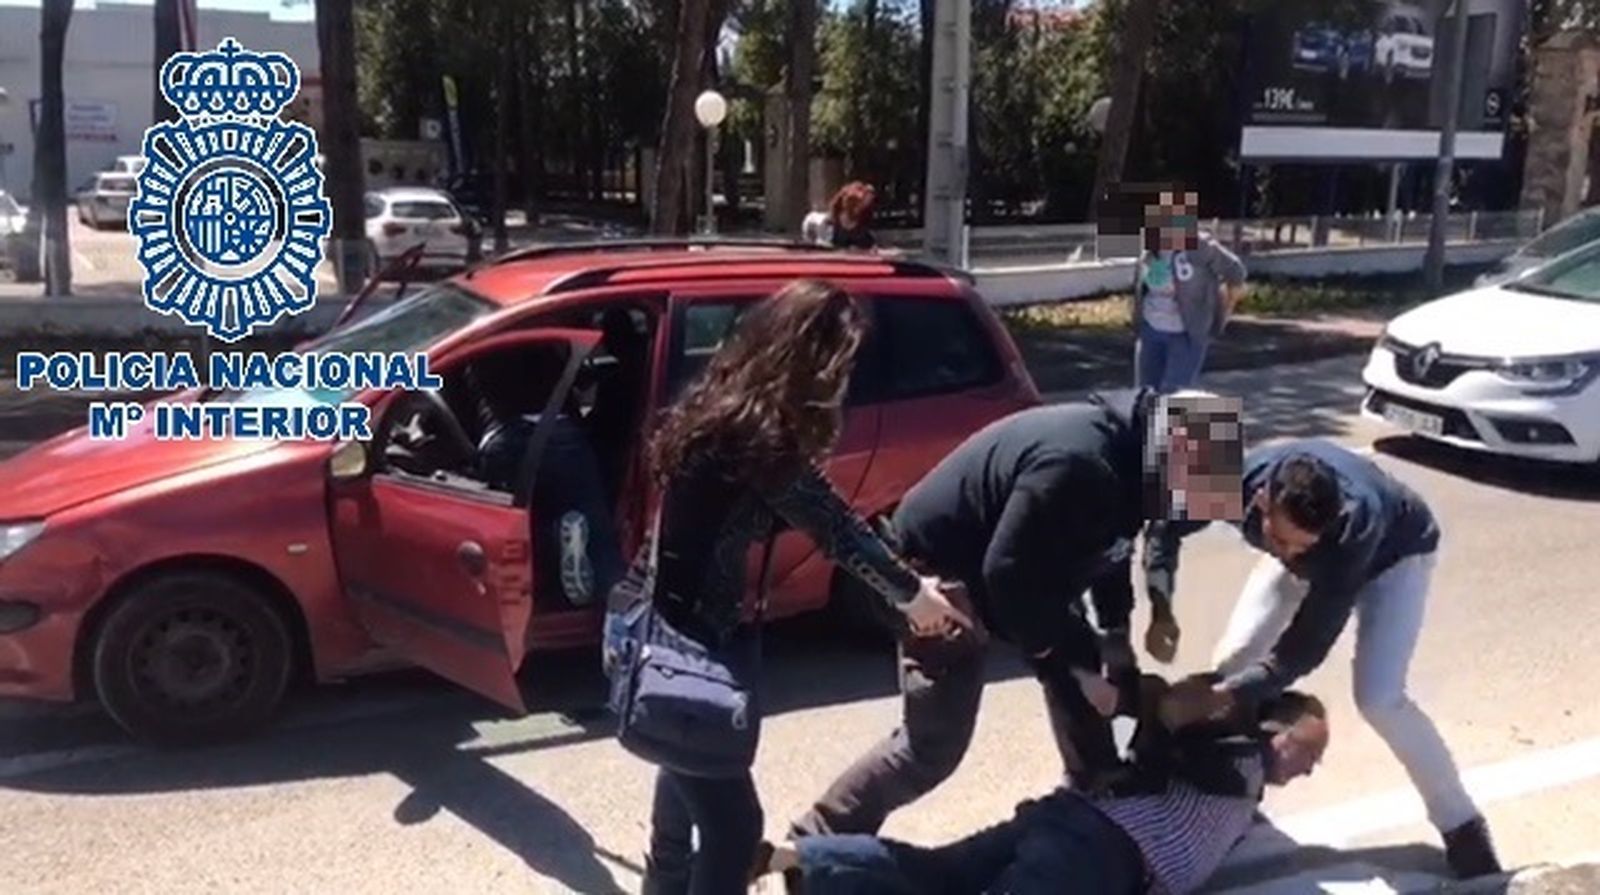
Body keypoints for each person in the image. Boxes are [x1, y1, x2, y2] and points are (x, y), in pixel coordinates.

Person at [614, 279, 972, 895]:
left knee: (681, 782)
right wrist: (914, 597)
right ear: (817, 365)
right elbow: (836, 528)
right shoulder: (762, 440)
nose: (844, 383)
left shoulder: (721, 404)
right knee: (734, 826)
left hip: (660, 635)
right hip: (692, 641)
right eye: (842, 367)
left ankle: (663, 887)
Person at [790, 389, 1245, 840]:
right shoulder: (1079, 466)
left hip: (999, 566)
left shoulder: (1125, 454)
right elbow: (1006, 578)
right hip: (930, 580)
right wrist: (1070, 665)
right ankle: (817, 836)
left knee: (1078, 648)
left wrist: (1115, 636)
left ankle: (1097, 781)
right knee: (932, 747)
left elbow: (1109, 546)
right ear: (1165, 464)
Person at [1144, 439, 1502, 878]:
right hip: (1317, 552)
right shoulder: (1232, 476)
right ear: (1262, 501)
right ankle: (1231, 801)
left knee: (1379, 697)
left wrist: (1231, 693)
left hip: (1396, 557)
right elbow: (1163, 526)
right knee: (1235, 658)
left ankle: (1462, 827)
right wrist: (1160, 605)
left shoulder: (1353, 528)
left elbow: (1304, 647)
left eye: (1304, 545)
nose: (1293, 553)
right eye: (1282, 539)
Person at [760, 684, 1331, 895]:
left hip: (1067, 824)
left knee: (937, 874)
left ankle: (797, 861)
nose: (1311, 769)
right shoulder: (1240, 753)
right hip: (1098, 851)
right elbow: (1180, 706)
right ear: (1273, 731)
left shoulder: (1243, 795)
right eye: (1308, 751)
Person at [1133, 187, 1247, 394]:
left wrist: (1225, 308)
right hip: (1151, 331)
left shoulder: (1200, 247)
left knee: (1173, 397)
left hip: (1185, 335)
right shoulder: (1150, 250)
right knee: (1145, 395)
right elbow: (1142, 289)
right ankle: (1147, 428)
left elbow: (1235, 271)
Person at [825, 182, 878, 250]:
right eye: (859, 203)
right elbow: (826, 248)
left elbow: (872, 246)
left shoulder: (864, 221)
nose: (861, 207)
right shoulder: (832, 222)